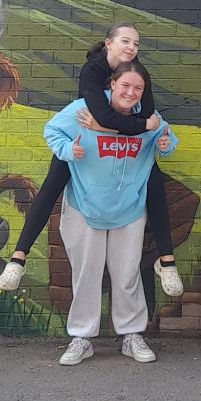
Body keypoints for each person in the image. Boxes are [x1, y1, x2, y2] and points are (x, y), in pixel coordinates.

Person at [0, 24, 183, 300]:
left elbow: (147, 117)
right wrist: (103, 127)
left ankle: (166, 260)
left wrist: (143, 131)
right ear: (108, 43)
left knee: (154, 183)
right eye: (125, 41)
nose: (132, 48)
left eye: (136, 44)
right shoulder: (93, 70)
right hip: (82, 139)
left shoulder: (136, 73)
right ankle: (19, 257)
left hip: (117, 142)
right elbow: (115, 118)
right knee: (51, 186)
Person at [42, 61, 178, 366]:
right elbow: (52, 131)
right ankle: (82, 337)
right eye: (125, 85)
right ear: (112, 84)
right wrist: (67, 151)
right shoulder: (84, 110)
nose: (131, 92)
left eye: (138, 88)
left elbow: (166, 140)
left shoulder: (148, 117)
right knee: (86, 274)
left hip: (128, 208)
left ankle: (131, 335)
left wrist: (167, 144)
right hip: (84, 207)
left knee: (128, 273)